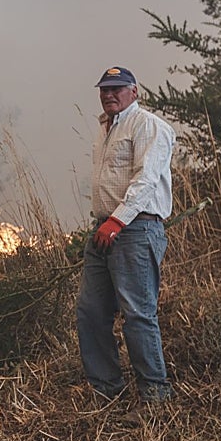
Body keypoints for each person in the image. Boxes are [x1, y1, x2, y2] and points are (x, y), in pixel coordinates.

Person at [76, 66, 175, 415]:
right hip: (104, 230)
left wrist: (118, 219)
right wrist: (105, 222)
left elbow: (146, 179)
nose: (109, 94)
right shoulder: (106, 130)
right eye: (104, 89)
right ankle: (107, 392)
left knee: (137, 314)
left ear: (134, 91)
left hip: (133, 230)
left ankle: (155, 398)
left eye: (117, 88)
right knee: (90, 312)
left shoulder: (148, 126)